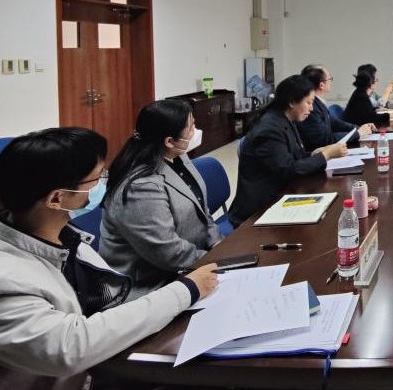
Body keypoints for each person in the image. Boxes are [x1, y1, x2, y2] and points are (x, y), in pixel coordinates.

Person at [0, 128, 220, 390]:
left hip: (88, 383)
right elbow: (72, 346)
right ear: (57, 198)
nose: (103, 184)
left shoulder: (58, 236)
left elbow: (110, 299)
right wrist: (185, 290)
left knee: (206, 386)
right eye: (96, 179)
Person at [100, 100, 222, 299]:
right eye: (191, 127)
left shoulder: (177, 156)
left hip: (190, 263)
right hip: (151, 285)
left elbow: (202, 208)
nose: (196, 131)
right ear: (169, 141)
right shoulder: (140, 186)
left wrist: (218, 245)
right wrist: (214, 261)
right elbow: (167, 252)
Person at [228, 75, 348, 227]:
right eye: (308, 102)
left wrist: (315, 153)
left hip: (281, 195)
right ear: (291, 102)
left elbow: (293, 156)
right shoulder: (269, 129)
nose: (311, 108)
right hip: (258, 210)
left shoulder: (286, 119)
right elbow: (289, 169)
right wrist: (326, 155)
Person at [298, 64, 373, 151]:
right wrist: (357, 133)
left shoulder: (318, 102)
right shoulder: (311, 107)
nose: (331, 81)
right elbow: (325, 139)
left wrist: (358, 128)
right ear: (321, 85)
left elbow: (334, 123)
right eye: (330, 79)